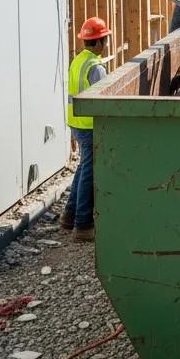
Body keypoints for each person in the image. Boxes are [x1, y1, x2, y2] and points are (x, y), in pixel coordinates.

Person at [63, 16, 110, 241]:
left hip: (76, 123)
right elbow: (104, 99)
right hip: (90, 125)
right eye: (105, 39)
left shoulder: (77, 60)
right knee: (89, 172)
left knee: (83, 168)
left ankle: (69, 215)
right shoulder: (96, 67)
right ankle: (82, 225)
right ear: (99, 42)